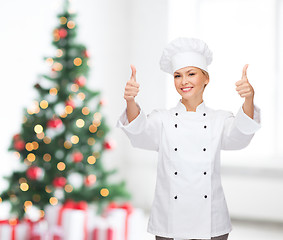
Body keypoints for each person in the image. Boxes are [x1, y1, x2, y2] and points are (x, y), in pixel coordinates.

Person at [116, 37, 261, 240]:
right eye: (178, 76)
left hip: (211, 221)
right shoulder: (162, 118)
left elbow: (240, 135)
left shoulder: (219, 118)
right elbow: (138, 132)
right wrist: (130, 100)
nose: (184, 81)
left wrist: (249, 99)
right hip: (169, 220)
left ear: (206, 78)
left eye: (191, 74)